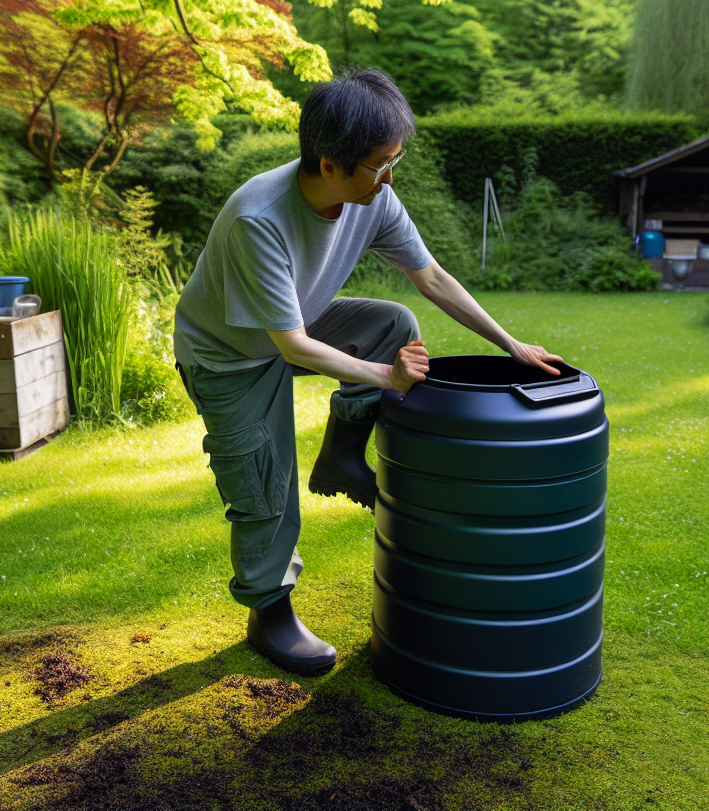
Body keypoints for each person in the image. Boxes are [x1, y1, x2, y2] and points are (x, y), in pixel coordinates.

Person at [173, 67, 562, 676]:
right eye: (381, 164)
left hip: (293, 324)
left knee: (391, 320)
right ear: (330, 164)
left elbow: (430, 277)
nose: (388, 178)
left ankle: (343, 456)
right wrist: (387, 378)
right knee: (263, 484)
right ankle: (269, 613)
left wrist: (511, 344)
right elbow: (295, 347)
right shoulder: (260, 218)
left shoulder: (371, 197)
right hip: (229, 356)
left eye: (394, 163)